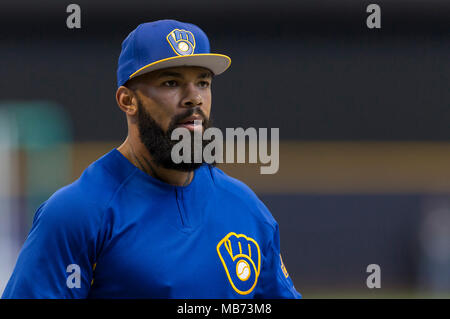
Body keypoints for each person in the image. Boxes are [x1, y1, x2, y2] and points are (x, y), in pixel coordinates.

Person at [2, 19, 301, 299]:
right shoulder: (77, 214)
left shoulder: (246, 209)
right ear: (127, 100)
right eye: (171, 83)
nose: (193, 97)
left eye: (203, 82)